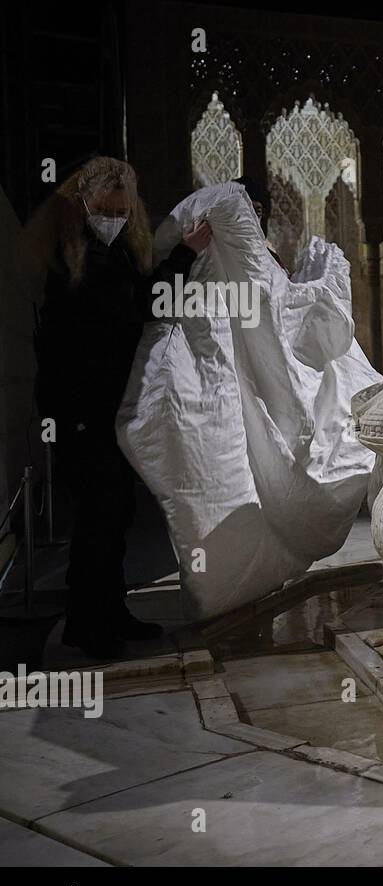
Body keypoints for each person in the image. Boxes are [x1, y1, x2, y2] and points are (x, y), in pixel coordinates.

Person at [21, 157, 212, 658]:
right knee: (98, 517)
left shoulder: (111, 252)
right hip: (79, 408)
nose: (114, 219)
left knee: (115, 511)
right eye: (106, 210)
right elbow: (139, 306)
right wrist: (186, 255)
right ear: (84, 203)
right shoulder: (74, 255)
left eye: (122, 212)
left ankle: (110, 611)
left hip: (104, 403)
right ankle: (87, 623)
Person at [233, 175, 289, 274]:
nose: (253, 218)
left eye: (257, 212)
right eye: (246, 211)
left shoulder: (272, 259)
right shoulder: (216, 253)